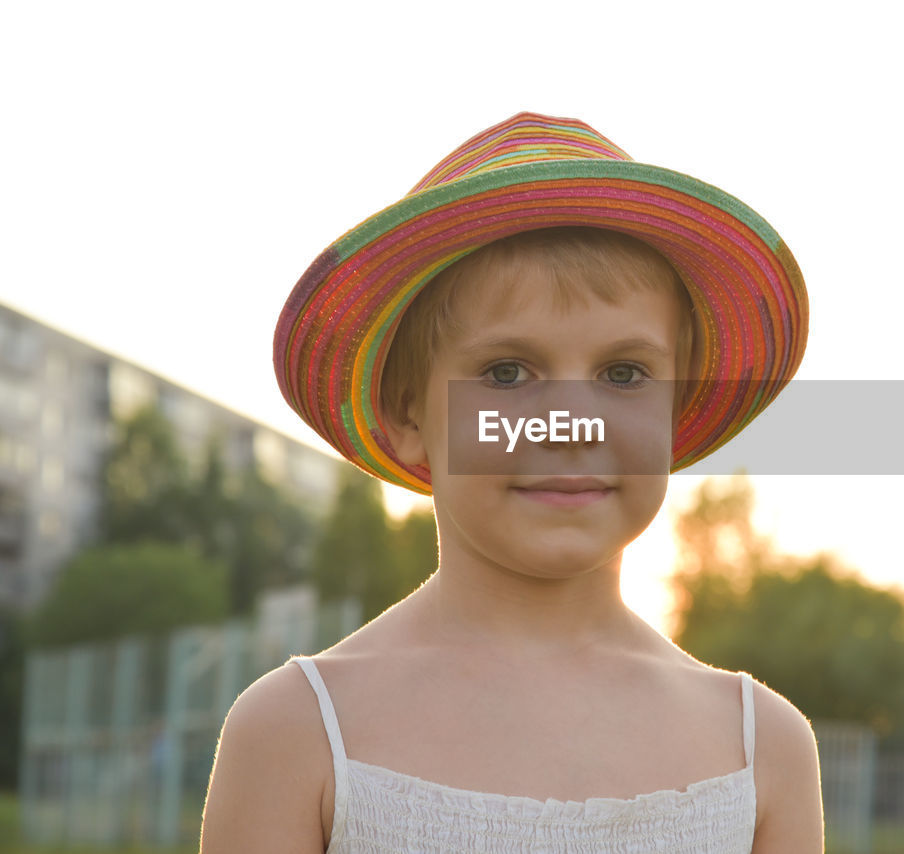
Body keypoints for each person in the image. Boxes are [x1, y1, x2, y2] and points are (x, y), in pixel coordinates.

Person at [200, 113, 821, 852]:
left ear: (675, 411)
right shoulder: (296, 732)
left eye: (624, 374)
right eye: (507, 372)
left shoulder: (763, 750)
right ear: (407, 414)